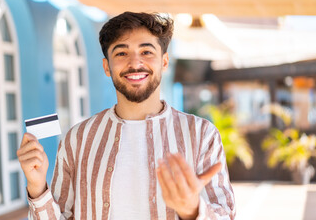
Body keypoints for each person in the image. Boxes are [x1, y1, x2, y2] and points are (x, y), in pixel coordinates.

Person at [17, 12, 236, 220]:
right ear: (106, 66)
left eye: (146, 51)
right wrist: (37, 187)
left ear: (165, 61)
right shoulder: (77, 139)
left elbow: (225, 214)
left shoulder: (201, 135)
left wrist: (192, 210)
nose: (135, 63)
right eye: (121, 53)